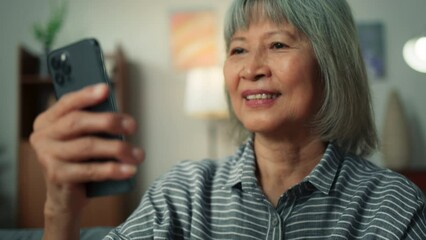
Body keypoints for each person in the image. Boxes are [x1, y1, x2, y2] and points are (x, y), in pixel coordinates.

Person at [30, 0, 426, 239]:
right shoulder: (183, 194)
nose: (251, 68)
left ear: (331, 64)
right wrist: (60, 209)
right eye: (238, 49)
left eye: (277, 44)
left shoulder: (391, 205)